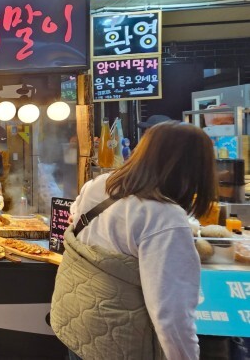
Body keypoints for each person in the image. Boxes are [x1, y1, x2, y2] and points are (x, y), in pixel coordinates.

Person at [51, 122, 215, 360]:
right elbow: (171, 317)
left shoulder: (100, 184)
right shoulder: (165, 217)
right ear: (195, 167)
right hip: (120, 341)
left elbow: (74, 213)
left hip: (76, 323)